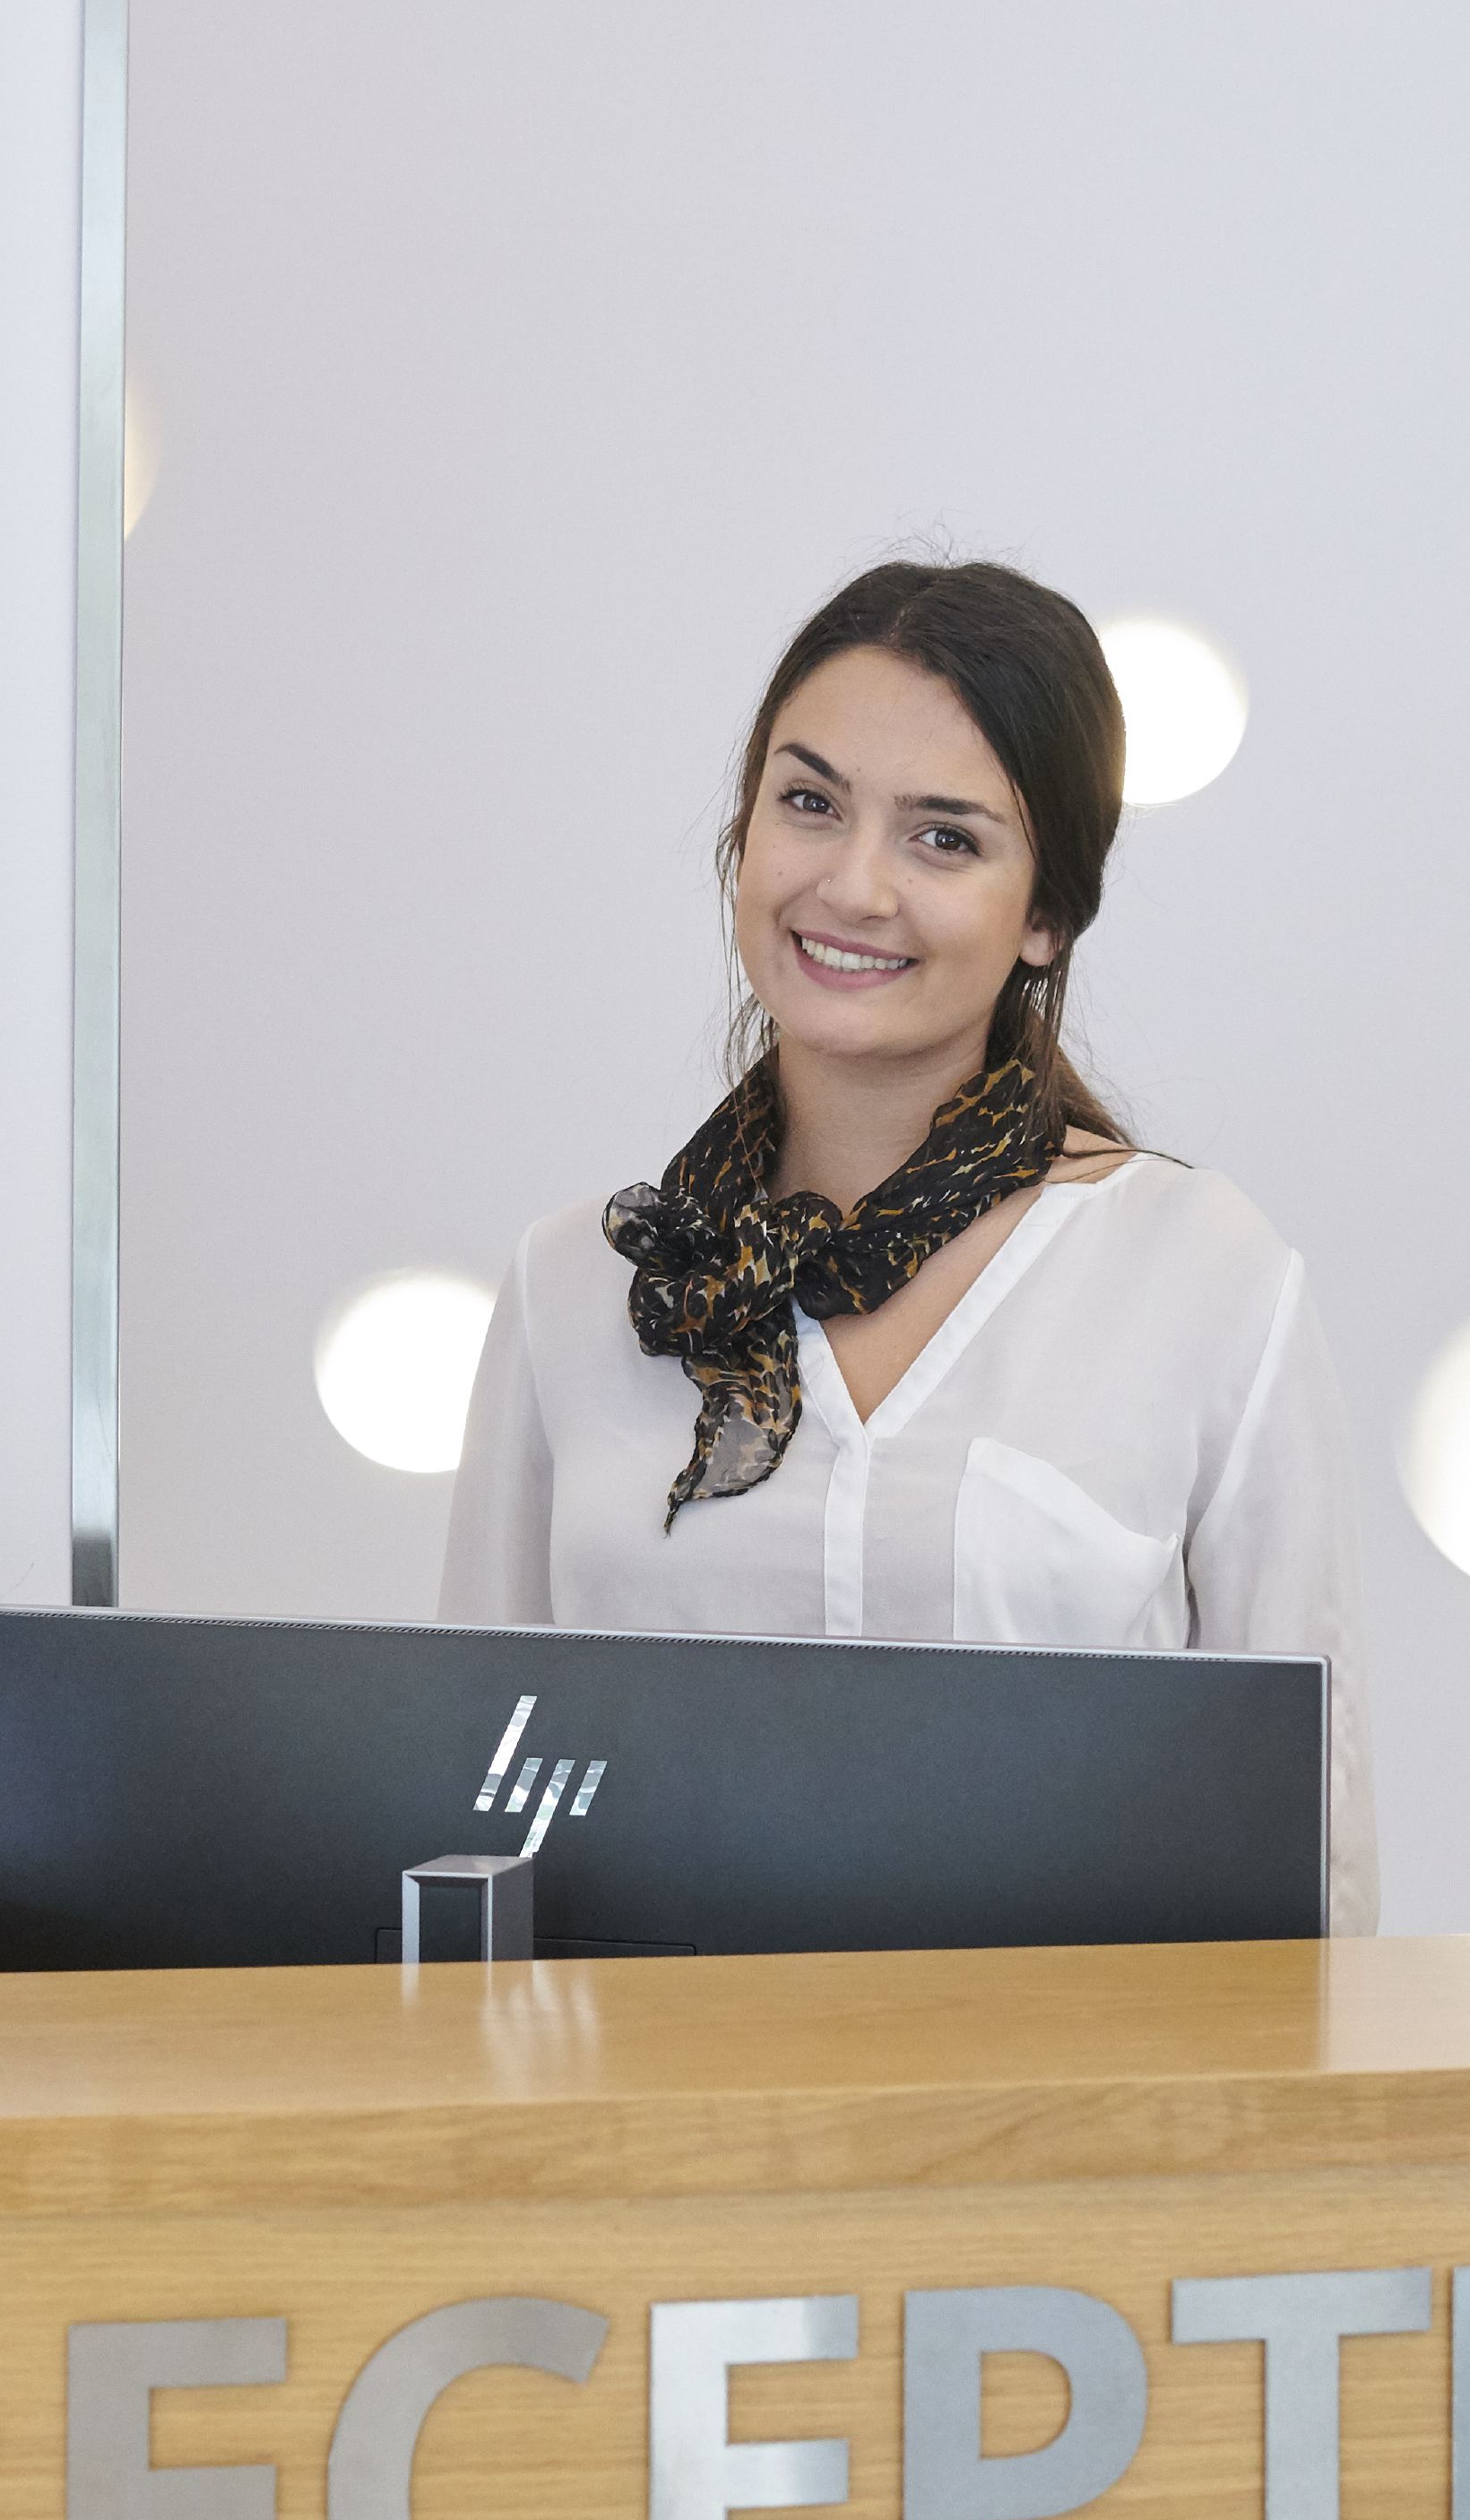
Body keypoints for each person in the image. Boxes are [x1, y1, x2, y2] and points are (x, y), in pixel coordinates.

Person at [440, 558, 1378, 1929]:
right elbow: (478, 1806)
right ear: (743, 835)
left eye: (945, 838)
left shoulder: (1202, 1272)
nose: (856, 885)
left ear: (1045, 915)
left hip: (1069, 2064)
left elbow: (1313, 1845)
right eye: (810, 803)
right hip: (644, 2065)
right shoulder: (572, 1284)